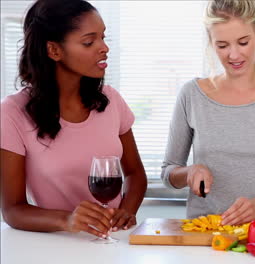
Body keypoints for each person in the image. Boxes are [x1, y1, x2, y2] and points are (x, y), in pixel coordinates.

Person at [0, 0, 147, 238]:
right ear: (54, 50)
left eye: (103, 37)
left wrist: (127, 211)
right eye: (89, 42)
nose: (104, 48)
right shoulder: (12, 112)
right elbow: (12, 210)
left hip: (113, 242)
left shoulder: (110, 100)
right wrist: (67, 220)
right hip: (57, 245)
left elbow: (135, 173)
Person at [161, 0, 255, 226]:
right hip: (205, 233)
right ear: (210, 41)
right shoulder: (192, 94)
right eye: (222, 45)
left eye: (243, 42)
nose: (234, 55)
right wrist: (190, 171)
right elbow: (169, 173)